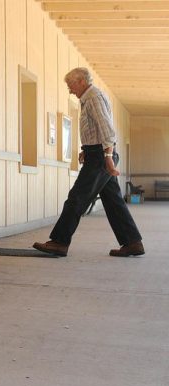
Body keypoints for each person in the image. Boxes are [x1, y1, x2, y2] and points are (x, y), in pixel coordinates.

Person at [33, 67, 144, 258]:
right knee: (113, 202)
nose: (70, 90)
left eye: (71, 85)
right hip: (97, 154)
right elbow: (95, 130)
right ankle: (133, 243)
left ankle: (59, 242)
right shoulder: (88, 98)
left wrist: (107, 158)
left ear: (82, 81)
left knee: (76, 198)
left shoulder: (93, 97)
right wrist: (87, 149)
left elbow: (107, 131)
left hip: (101, 157)